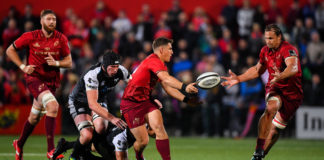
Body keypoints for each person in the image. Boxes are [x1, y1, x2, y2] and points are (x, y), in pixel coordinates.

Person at [221, 24, 303, 160]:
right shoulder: (265, 51)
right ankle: (259, 148)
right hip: (275, 87)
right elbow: (257, 70)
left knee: (276, 129)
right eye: (266, 38)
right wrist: (239, 78)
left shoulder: (288, 49)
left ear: (279, 37)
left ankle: (260, 155)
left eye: (271, 38)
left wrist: (281, 75)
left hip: (293, 93)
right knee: (271, 107)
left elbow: (293, 68)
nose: (268, 41)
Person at [6, 9, 72, 160]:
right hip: (34, 79)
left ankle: (19, 144)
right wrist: (23, 67)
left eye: (54, 19)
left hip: (52, 82)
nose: (52, 22)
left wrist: (56, 63)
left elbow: (69, 62)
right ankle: (51, 151)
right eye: (49, 19)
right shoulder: (30, 36)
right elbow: (10, 50)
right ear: (42, 21)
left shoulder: (61, 38)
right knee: (53, 106)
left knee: (34, 118)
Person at [120, 37, 200, 160]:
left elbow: (168, 88)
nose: (172, 52)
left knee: (159, 127)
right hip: (131, 103)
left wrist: (186, 99)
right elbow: (167, 79)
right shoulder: (153, 60)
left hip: (145, 100)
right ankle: (139, 155)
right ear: (161, 50)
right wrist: (185, 86)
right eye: (170, 49)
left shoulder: (160, 65)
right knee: (143, 142)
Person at [66, 50, 128, 160]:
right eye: (112, 67)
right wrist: (112, 118)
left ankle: (88, 149)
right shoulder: (93, 74)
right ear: (104, 65)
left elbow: (136, 85)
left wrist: (150, 99)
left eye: (117, 66)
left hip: (98, 99)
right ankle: (74, 156)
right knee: (86, 135)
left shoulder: (121, 71)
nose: (115, 70)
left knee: (101, 127)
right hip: (79, 101)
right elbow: (92, 104)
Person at [53, 122, 156, 160]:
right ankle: (83, 155)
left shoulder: (140, 126)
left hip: (107, 134)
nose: (155, 134)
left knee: (93, 146)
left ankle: (67, 145)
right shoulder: (128, 136)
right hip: (106, 141)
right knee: (98, 148)